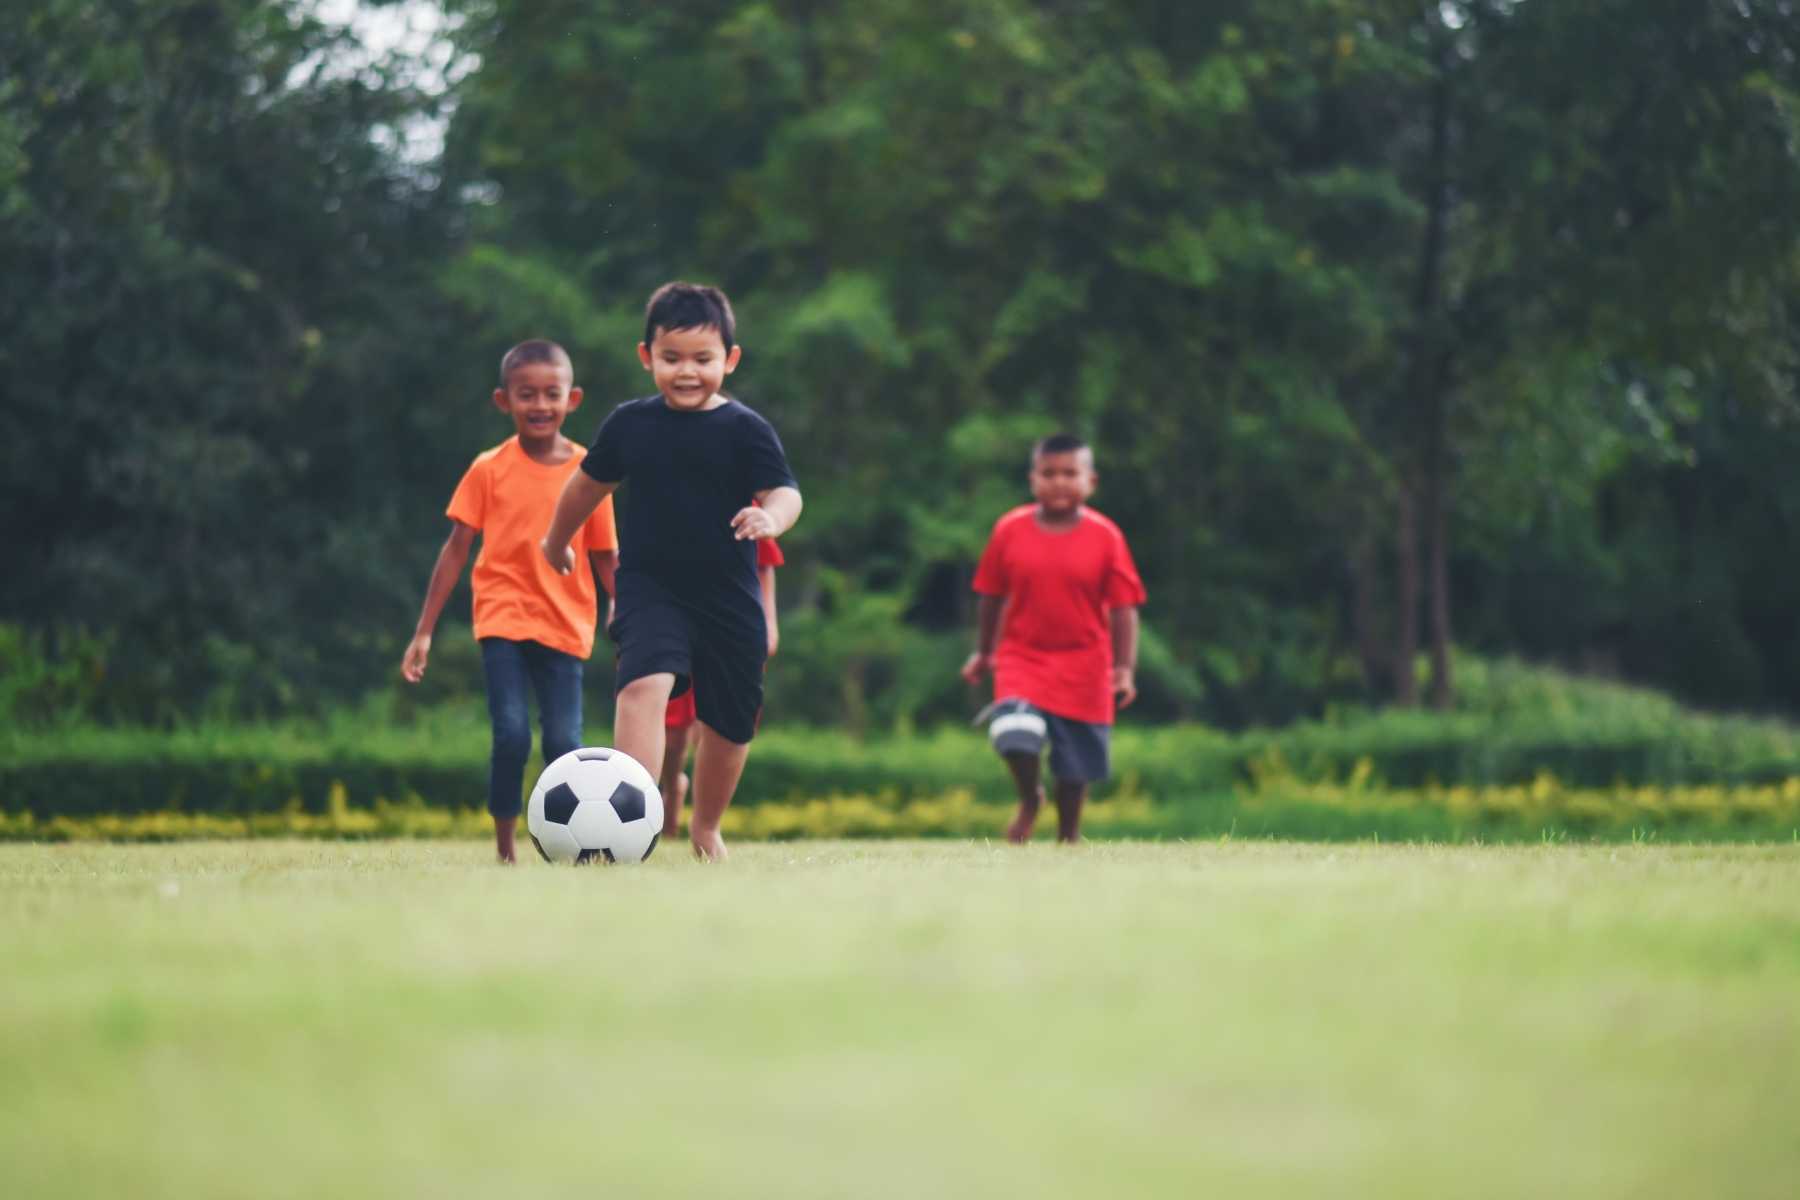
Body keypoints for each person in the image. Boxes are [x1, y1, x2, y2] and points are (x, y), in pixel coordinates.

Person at [540, 282, 801, 861]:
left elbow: (786, 491)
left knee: (731, 722)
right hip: (650, 588)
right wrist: (556, 541)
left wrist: (773, 518)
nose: (687, 372)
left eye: (703, 359)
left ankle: (706, 827)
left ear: (730, 359)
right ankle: (630, 829)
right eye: (672, 357)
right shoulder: (631, 425)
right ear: (647, 356)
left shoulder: (746, 429)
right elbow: (585, 488)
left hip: (729, 597)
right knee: (642, 687)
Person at [401, 340, 618, 864]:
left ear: (573, 399)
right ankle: (505, 851)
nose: (540, 405)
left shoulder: (589, 473)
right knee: (513, 735)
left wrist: (627, 612)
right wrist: (424, 631)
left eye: (551, 394)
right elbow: (456, 550)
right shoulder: (488, 468)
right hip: (502, 619)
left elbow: (607, 555)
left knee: (564, 743)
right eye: (527, 394)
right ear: (504, 401)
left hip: (566, 624)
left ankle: (572, 842)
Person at [961, 433, 1146, 843]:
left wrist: (1123, 669)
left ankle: (1068, 837)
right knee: (1014, 732)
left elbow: (1124, 608)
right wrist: (984, 652)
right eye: (1048, 473)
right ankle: (1030, 798)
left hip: (1085, 662)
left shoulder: (1106, 537)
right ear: (1033, 480)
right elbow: (990, 595)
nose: (1059, 481)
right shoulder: (1009, 530)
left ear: (1090, 481)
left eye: (1069, 473)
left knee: (1075, 766)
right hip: (1022, 657)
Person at [659, 531, 782, 840]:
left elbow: (764, 563)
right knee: (673, 738)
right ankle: (672, 786)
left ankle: (705, 820)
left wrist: (769, 621)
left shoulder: (743, 505)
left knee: (716, 725)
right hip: (674, 620)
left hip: (729, 622)